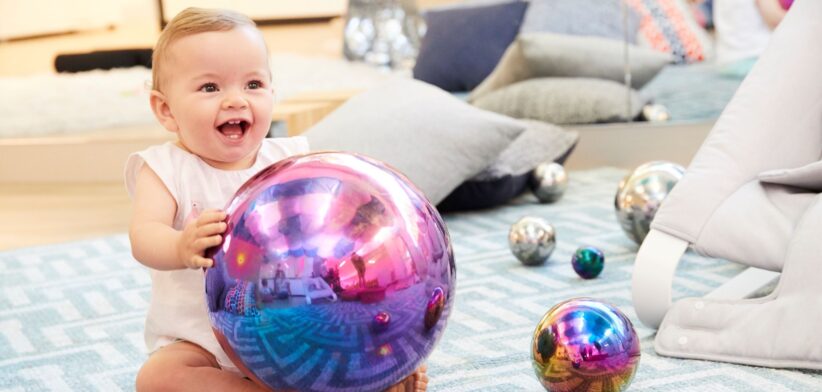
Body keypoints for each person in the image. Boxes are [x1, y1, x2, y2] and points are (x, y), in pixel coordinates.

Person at [125, 7, 427, 392]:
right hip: (198, 342)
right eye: (210, 88)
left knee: (360, 326)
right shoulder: (166, 168)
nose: (236, 100)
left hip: (287, 329)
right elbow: (143, 235)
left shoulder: (288, 160)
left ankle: (377, 375)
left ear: (272, 91)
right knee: (157, 378)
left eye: (253, 84)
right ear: (165, 110)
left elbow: (327, 215)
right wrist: (181, 245)